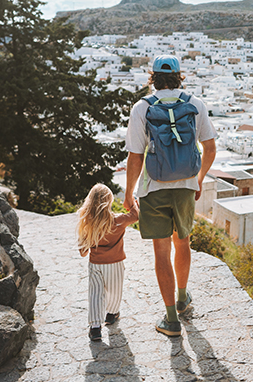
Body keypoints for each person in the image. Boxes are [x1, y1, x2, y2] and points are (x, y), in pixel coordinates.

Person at [124, 55, 217, 337]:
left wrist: (129, 194)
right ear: (179, 76)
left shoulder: (142, 108)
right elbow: (210, 148)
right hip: (186, 187)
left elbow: (135, 156)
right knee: (183, 241)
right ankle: (183, 298)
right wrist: (198, 180)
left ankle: (170, 320)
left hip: (154, 188)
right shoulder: (195, 104)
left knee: (161, 252)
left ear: (152, 77)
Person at [77, 183, 138, 342]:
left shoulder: (87, 223)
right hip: (115, 263)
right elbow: (136, 215)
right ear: (109, 201)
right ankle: (111, 314)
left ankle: (95, 328)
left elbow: (82, 252)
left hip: (95, 264)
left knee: (95, 293)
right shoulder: (118, 220)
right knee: (114, 290)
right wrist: (131, 200)